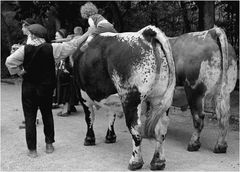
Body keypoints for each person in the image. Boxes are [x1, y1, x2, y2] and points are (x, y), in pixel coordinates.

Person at [5, 24, 92, 158]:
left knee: (29, 118)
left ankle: (32, 150)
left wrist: (20, 72)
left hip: (29, 89)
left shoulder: (23, 50)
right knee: (47, 115)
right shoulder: (52, 48)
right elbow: (73, 45)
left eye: (29, 34)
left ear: (33, 35)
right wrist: (87, 34)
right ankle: (49, 145)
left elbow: (9, 61)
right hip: (46, 88)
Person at [52, 29, 79, 117]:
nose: (56, 38)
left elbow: (70, 59)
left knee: (65, 89)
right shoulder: (61, 45)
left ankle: (65, 110)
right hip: (62, 69)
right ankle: (69, 107)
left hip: (66, 69)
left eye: (57, 36)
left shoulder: (67, 45)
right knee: (63, 89)